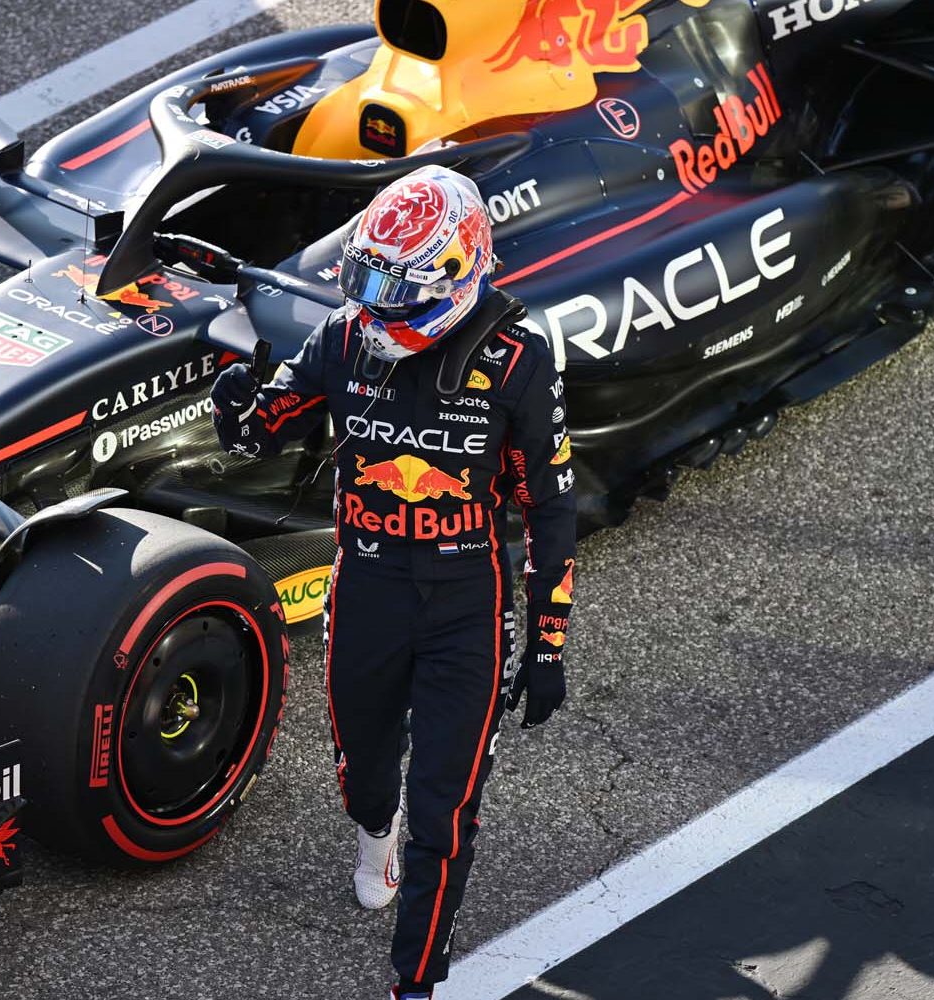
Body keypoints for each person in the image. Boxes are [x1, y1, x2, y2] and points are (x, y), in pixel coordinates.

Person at [210, 165, 577, 999]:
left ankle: (416, 983)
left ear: (456, 271)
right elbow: (266, 427)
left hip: (464, 610)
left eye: (392, 287)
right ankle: (374, 830)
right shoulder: (345, 336)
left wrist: (549, 640)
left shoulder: (520, 362)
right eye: (364, 281)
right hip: (367, 590)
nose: (373, 304)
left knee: (445, 820)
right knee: (364, 772)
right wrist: (235, 409)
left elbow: (552, 513)